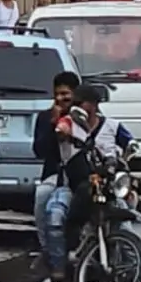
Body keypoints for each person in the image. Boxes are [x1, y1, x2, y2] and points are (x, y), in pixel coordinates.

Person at [42, 84, 141, 282]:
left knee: (128, 232)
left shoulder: (112, 126)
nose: (80, 107)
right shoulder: (69, 123)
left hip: (108, 188)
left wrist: (123, 162)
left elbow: (131, 145)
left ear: (93, 105)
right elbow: (60, 130)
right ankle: (62, 269)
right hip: (75, 187)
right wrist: (64, 130)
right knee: (56, 216)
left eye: (83, 103)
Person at [31, 71, 80, 257]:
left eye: (66, 94)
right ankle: (47, 250)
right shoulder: (45, 118)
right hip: (55, 175)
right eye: (57, 94)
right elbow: (40, 151)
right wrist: (54, 124)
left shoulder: (84, 117)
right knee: (42, 196)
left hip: (82, 174)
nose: (60, 98)